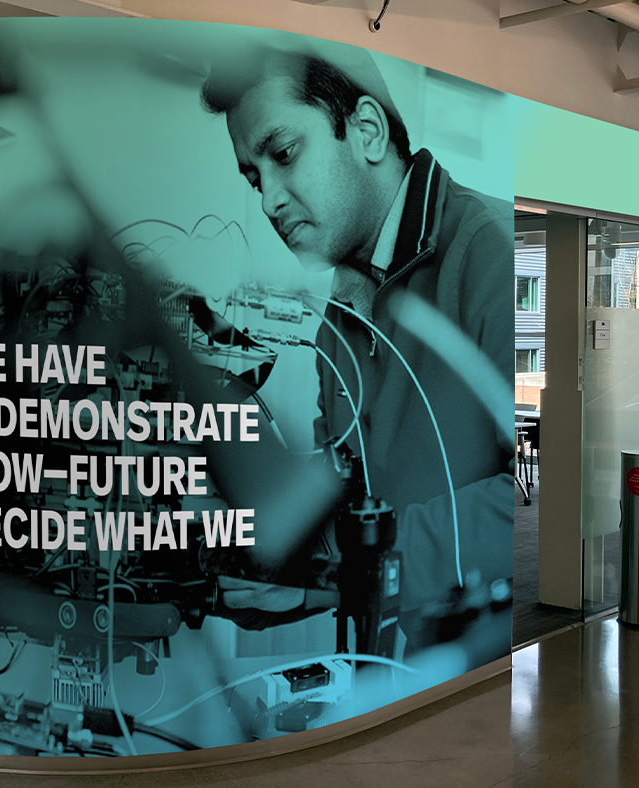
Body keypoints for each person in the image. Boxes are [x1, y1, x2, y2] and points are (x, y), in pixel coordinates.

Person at [201, 42, 514, 632]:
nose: (268, 199)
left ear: (367, 131)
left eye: (284, 154)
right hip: (386, 665)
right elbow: (350, 504)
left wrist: (352, 568)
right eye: (254, 177)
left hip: (485, 671)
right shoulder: (339, 315)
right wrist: (277, 574)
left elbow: (530, 503)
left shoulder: (494, 252)